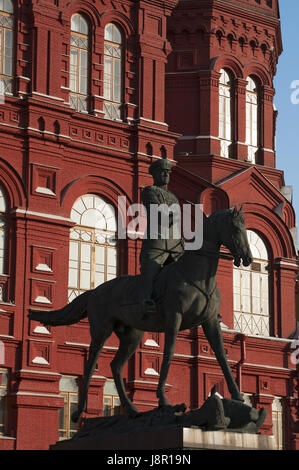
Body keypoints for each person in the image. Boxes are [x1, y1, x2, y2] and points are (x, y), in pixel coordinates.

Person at [139, 158, 184, 315]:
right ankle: (146, 300)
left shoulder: (173, 197)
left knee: (191, 269)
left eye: (167, 172)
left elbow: (176, 223)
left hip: (174, 243)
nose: (165, 175)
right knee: (151, 269)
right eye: (162, 172)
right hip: (157, 241)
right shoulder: (149, 191)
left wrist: (181, 241)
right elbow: (157, 213)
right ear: (155, 175)